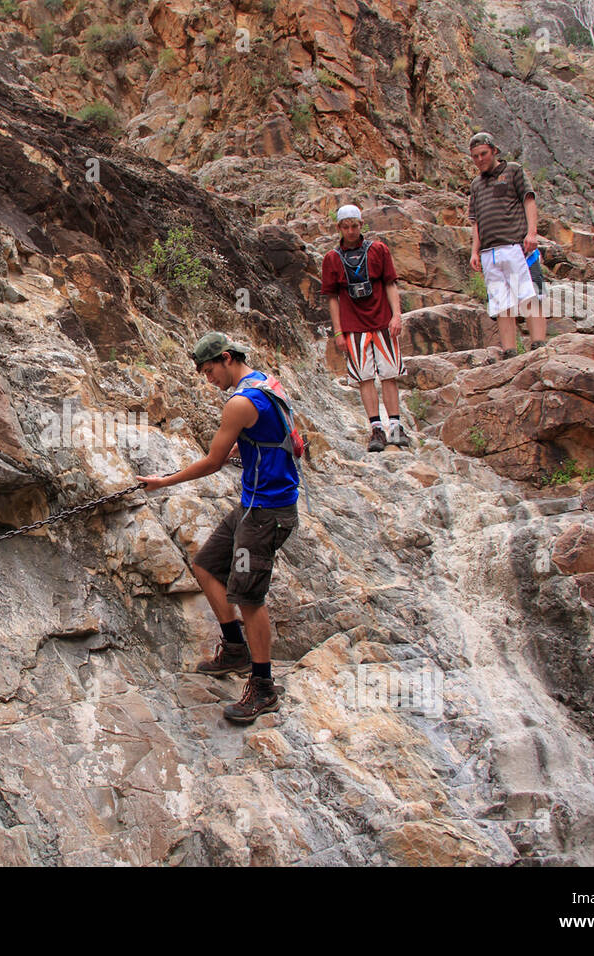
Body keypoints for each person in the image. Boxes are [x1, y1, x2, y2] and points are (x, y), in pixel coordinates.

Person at [136, 332, 299, 724]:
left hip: (265, 513)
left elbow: (210, 462)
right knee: (207, 565)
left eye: (210, 370)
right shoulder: (266, 382)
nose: (208, 379)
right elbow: (283, 436)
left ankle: (263, 687)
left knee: (249, 597)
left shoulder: (240, 402)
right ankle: (235, 648)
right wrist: (247, 450)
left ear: (227, 358)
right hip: (255, 504)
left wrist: (163, 481)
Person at [321, 204, 409, 453]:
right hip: (354, 326)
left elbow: (390, 283)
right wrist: (338, 331)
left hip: (382, 321)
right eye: (346, 227)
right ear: (339, 228)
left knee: (389, 373)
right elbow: (332, 297)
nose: (350, 231)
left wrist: (397, 315)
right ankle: (376, 428)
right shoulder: (332, 259)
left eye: (355, 226)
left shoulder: (378, 250)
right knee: (365, 377)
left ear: (361, 225)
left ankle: (395, 425)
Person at [467, 131, 544, 357]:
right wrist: (475, 251)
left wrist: (532, 233)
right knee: (501, 303)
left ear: (494, 151)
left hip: (517, 246)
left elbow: (529, 200)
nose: (480, 159)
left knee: (530, 295)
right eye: (475, 156)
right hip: (489, 252)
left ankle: (539, 345)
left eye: (483, 154)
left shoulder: (513, 170)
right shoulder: (476, 185)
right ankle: (510, 351)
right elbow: (476, 221)